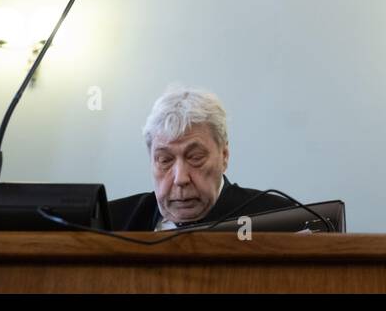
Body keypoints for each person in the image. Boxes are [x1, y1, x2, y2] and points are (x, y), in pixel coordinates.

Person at [109, 85, 287, 231]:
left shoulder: (279, 219)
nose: (180, 179)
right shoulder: (109, 222)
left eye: (195, 157)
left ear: (224, 156)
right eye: (165, 160)